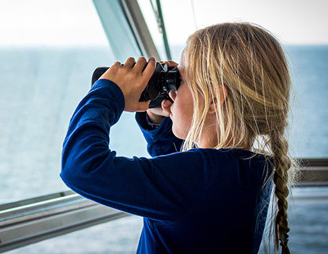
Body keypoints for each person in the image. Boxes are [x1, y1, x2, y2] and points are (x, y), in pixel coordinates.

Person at [61, 22, 296, 254]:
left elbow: (81, 169)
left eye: (179, 81)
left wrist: (107, 94)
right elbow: (181, 180)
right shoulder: (249, 169)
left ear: (214, 100)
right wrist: (157, 114)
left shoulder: (202, 177)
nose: (171, 92)